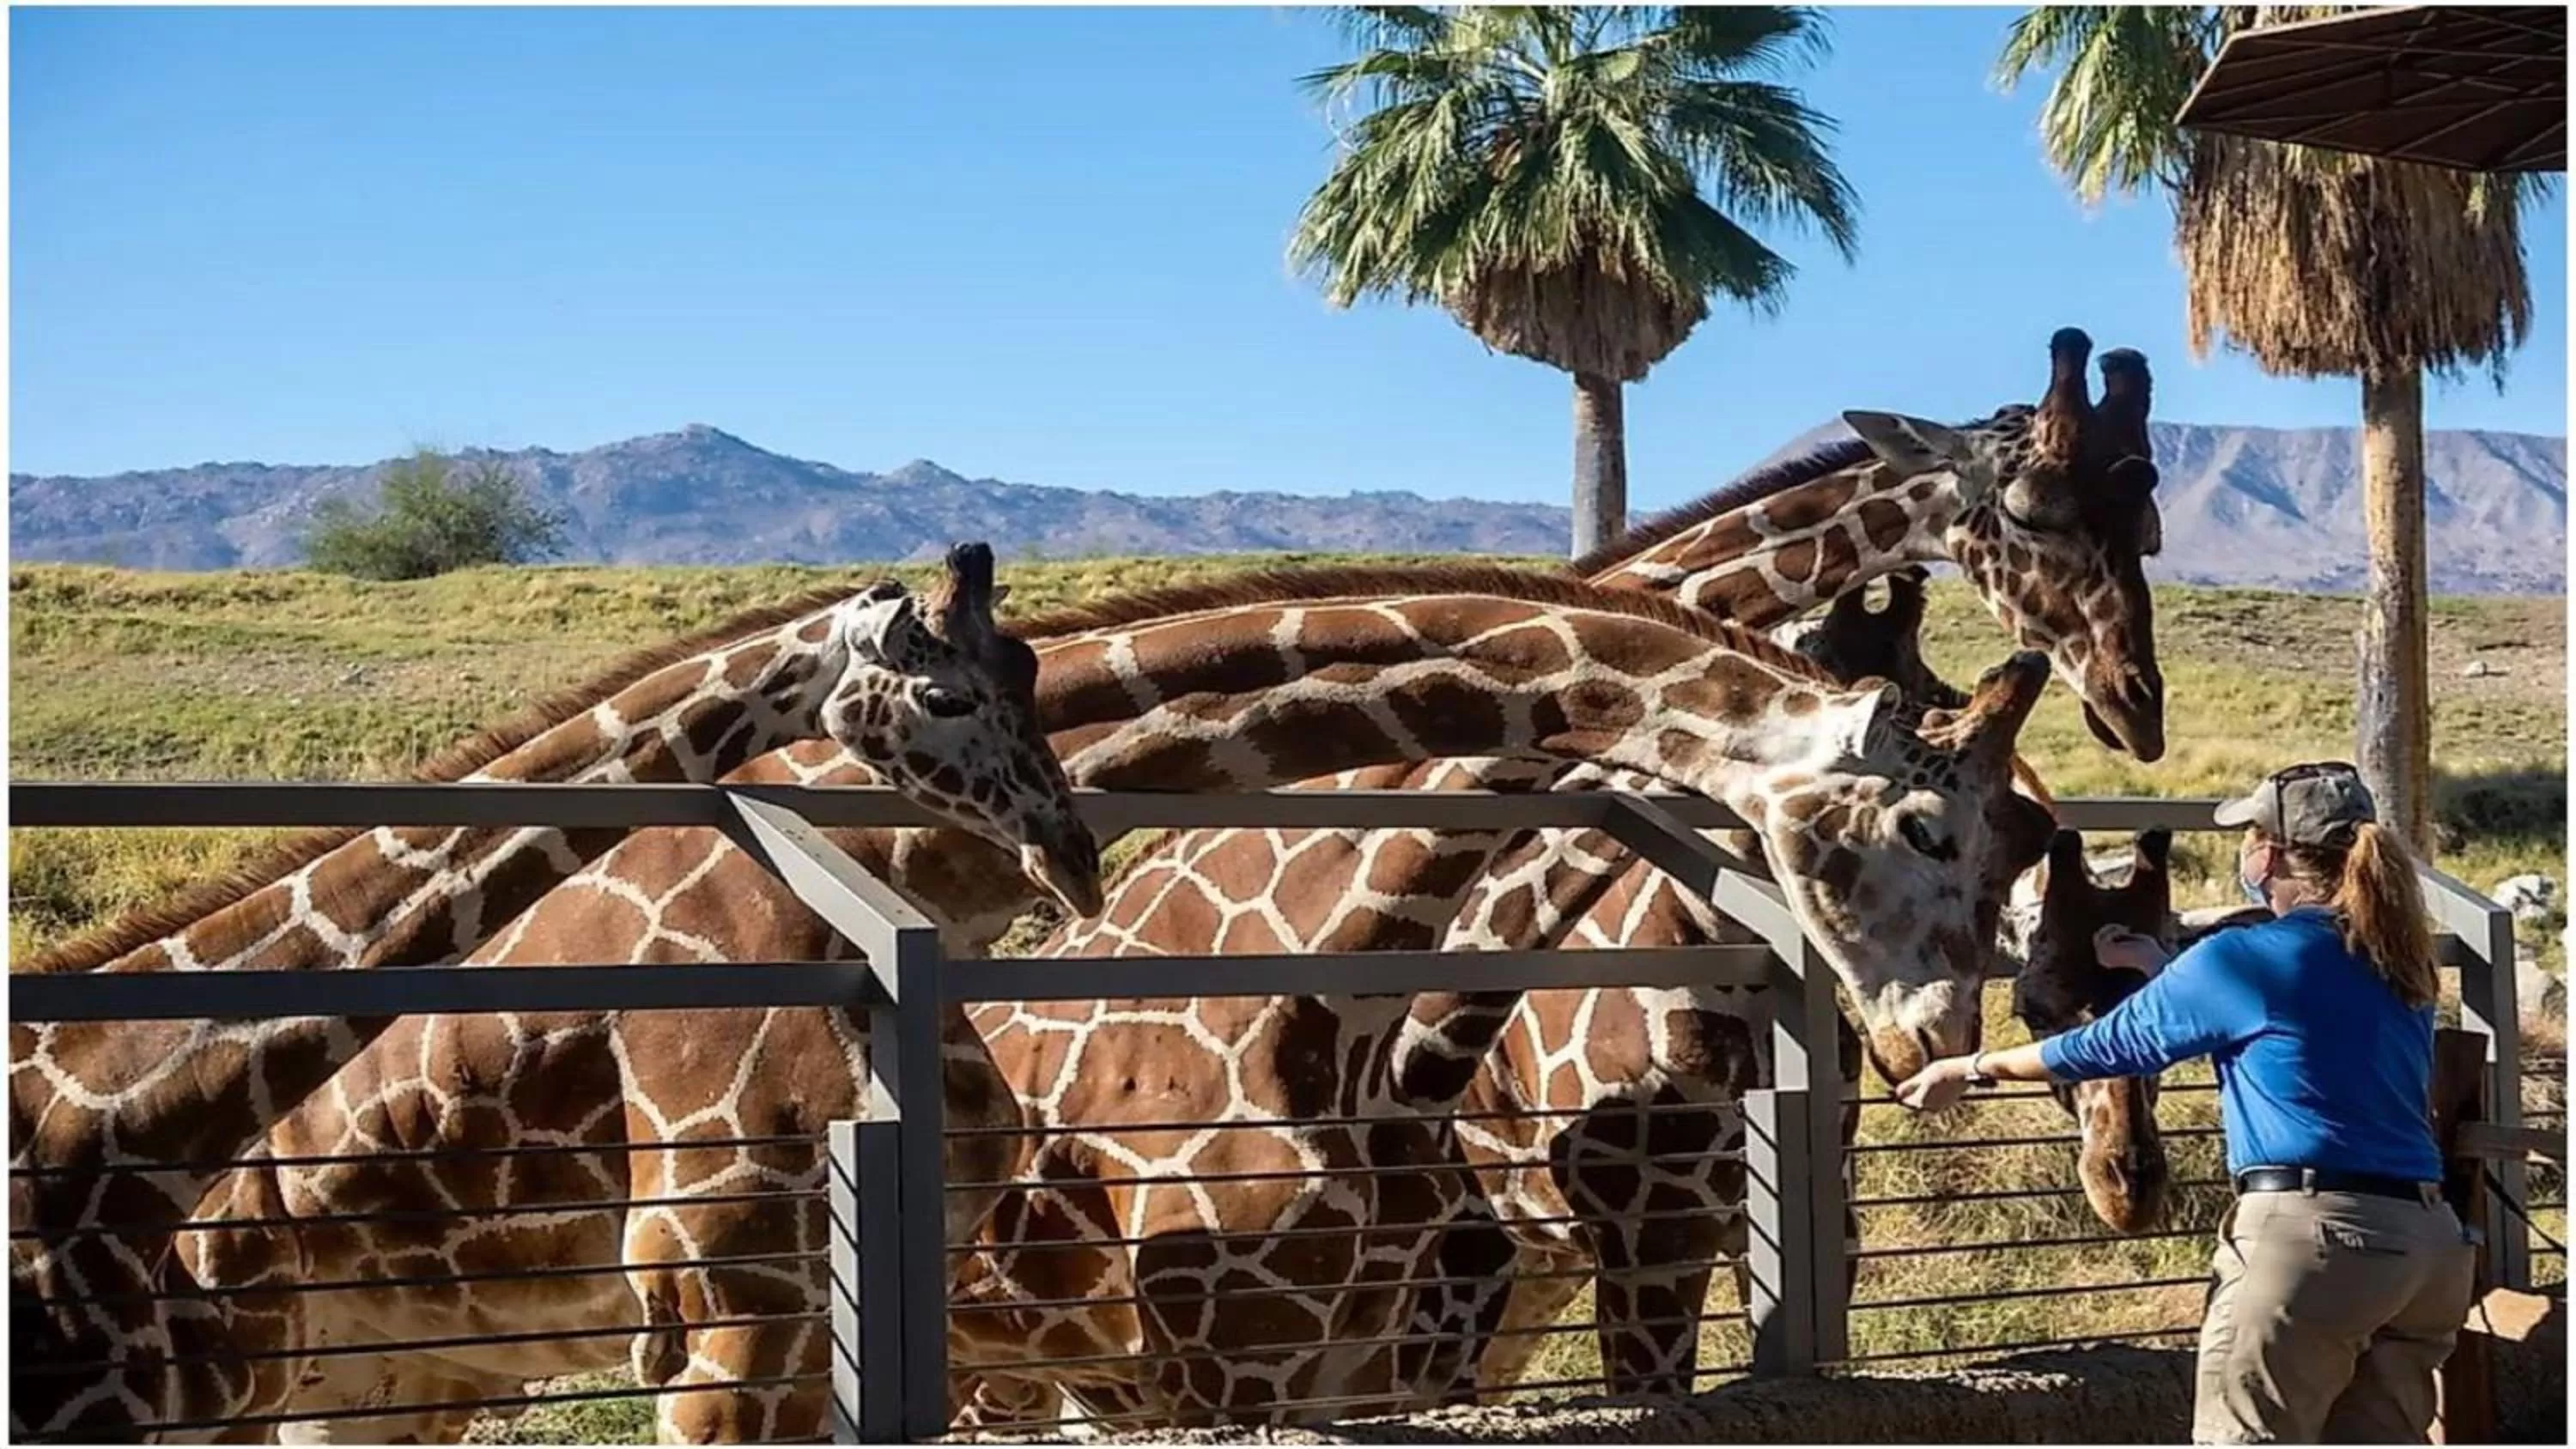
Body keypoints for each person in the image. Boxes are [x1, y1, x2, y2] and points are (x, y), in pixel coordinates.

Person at [1896, 761, 2476, 1445]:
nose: (2247, 853)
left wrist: (1972, 1065)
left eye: (2253, 835)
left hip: (2315, 1246)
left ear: (2273, 853)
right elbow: (2298, 1024)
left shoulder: (2245, 959)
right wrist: (2163, 970)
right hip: (2427, 1248)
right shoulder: (2395, 955)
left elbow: (2104, 1048)